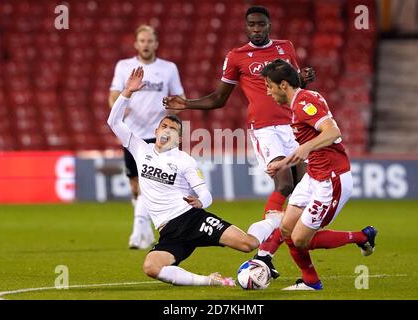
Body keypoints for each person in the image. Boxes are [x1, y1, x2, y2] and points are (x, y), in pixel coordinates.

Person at [163, 6, 315, 277]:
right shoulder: (237, 56)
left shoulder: (285, 47)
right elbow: (219, 99)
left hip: (292, 125)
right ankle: (265, 256)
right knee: (285, 183)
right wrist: (186, 104)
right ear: (246, 28)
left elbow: (292, 87)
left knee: (303, 193)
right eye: (252, 25)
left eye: (261, 25)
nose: (256, 30)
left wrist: (303, 80)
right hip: (265, 128)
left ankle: (268, 255)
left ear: (269, 25)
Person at [107, 67, 282, 286]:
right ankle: (210, 281)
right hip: (168, 231)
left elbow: (205, 193)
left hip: (192, 220)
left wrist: (201, 202)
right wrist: (127, 92)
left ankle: (275, 219)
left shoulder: (184, 160)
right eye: (164, 126)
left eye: (172, 129)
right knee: (151, 267)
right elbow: (114, 122)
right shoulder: (140, 149)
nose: (167, 130)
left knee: (248, 244)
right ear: (156, 130)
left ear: (178, 139)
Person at [261, 58, 377, 290]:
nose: (267, 91)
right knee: (286, 229)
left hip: (331, 179)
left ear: (283, 85)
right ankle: (311, 282)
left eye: (269, 85)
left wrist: (305, 148)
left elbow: (333, 132)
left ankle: (362, 237)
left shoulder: (304, 102)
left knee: (300, 239)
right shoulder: (300, 102)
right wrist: (284, 162)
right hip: (313, 176)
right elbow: (311, 143)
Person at [109, 25, 184, 249]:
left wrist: (173, 110)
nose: (146, 44)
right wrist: (120, 109)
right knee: (135, 185)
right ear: (136, 43)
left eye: (150, 40)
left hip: (158, 134)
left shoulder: (169, 68)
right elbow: (113, 95)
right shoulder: (124, 66)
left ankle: (138, 231)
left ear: (156, 44)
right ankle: (145, 232)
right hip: (132, 133)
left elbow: (180, 98)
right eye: (142, 40)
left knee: (147, 182)